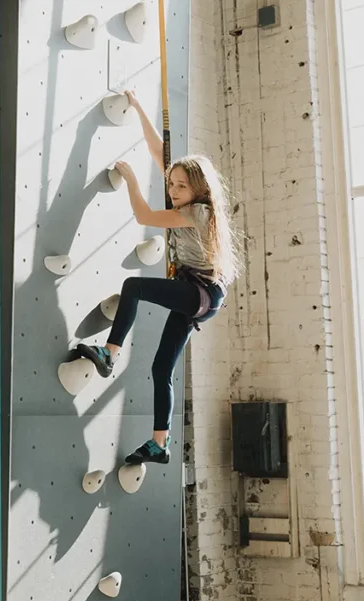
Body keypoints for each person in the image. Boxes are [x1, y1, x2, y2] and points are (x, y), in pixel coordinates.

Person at [76, 89, 241, 467]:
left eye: (181, 186)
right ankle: (160, 443)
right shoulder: (189, 202)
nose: (173, 190)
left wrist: (132, 179)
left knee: (134, 286)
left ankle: (110, 353)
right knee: (160, 368)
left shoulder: (197, 211)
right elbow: (160, 153)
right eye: (172, 185)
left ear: (198, 190)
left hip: (200, 292)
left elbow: (145, 217)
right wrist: (137, 107)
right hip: (202, 296)